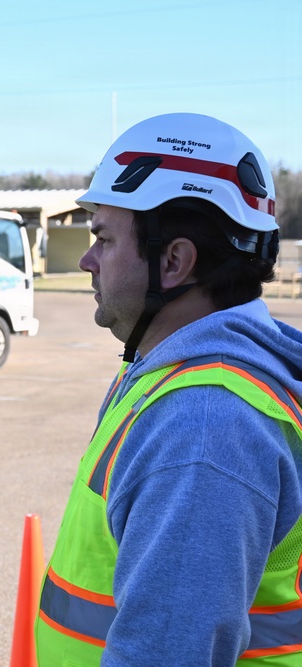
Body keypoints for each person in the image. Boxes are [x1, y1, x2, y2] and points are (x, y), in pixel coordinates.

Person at [34, 113, 302, 665]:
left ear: (174, 261)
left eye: (104, 238)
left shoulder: (204, 425)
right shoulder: (175, 375)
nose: (87, 261)